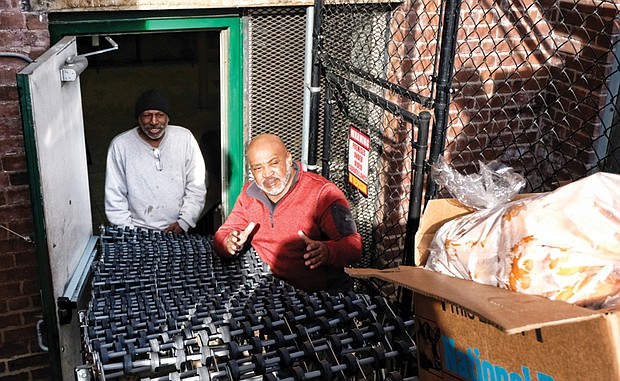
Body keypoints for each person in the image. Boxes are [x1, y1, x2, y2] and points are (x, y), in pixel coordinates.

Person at [213, 133, 362, 294]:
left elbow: (354, 246)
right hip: (272, 290)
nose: (267, 173)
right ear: (251, 171)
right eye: (258, 168)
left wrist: (327, 252)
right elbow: (222, 235)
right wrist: (229, 244)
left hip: (319, 297)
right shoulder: (249, 195)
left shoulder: (322, 194)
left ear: (288, 159)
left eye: (274, 163)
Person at [105, 89, 207, 233]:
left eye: (160, 115)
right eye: (147, 116)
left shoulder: (184, 138)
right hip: (137, 233)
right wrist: (129, 233)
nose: (154, 122)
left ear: (168, 118)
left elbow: (196, 186)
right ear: (138, 118)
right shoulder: (121, 145)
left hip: (179, 230)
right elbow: (115, 196)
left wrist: (184, 222)